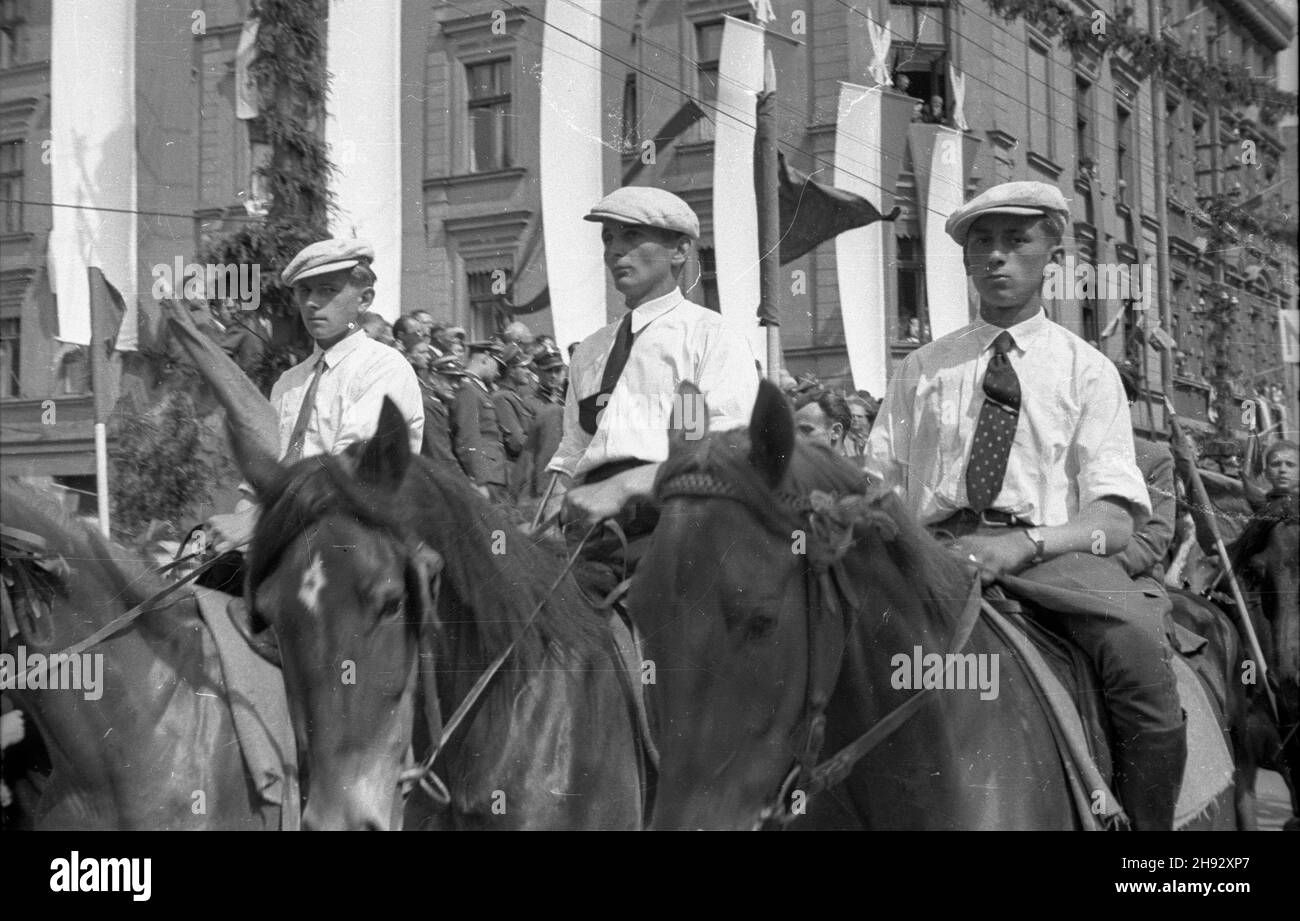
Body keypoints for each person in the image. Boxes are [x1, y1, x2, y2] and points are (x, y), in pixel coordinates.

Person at [864, 180, 1185, 830]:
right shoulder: (923, 367)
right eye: (982, 241)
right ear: (964, 259)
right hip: (931, 557)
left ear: (1053, 254)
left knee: (1140, 661)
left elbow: (1116, 520)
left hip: (1051, 559)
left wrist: (1024, 543)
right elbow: (878, 483)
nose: (997, 256)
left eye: (1017, 240)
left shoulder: (1085, 370)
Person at [542, 186, 759, 549]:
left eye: (631, 235)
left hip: (676, 525)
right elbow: (574, 449)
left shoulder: (711, 336)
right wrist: (548, 513)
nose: (614, 250)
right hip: (590, 531)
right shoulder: (590, 350)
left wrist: (623, 487)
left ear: (679, 250)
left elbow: (725, 450)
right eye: (608, 238)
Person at [207, 239, 424, 549]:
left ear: (364, 300)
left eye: (327, 290)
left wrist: (255, 522)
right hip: (285, 534)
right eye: (304, 292)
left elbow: (351, 472)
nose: (311, 303)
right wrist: (243, 530)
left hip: (357, 539)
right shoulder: (289, 381)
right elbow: (262, 469)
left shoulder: (385, 368)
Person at [452, 340, 510, 501]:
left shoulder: (477, 389)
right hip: (486, 475)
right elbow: (468, 437)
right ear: (485, 358)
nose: (498, 373)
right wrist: (480, 480)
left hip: (494, 472)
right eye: (497, 365)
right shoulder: (467, 389)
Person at [492, 344, 536, 503]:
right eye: (523, 367)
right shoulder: (502, 398)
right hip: (514, 471)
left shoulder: (513, 396)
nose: (528, 371)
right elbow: (516, 442)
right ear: (511, 370)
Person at [528, 345, 567, 497]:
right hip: (542, 477)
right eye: (548, 371)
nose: (554, 376)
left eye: (558, 370)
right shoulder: (530, 403)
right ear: (538, 372)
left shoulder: (569, 402)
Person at [419, 351, 465, 472]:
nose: (455, 385)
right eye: (450, 379)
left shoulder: (438, 403)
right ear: (433, 377)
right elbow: (442, 457)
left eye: (458, 380)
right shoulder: (430, 405)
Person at [793, 389, 852, 455]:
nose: (796, 438)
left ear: (836, 431)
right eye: (794, 432)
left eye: (806, 430)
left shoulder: (861, 464)